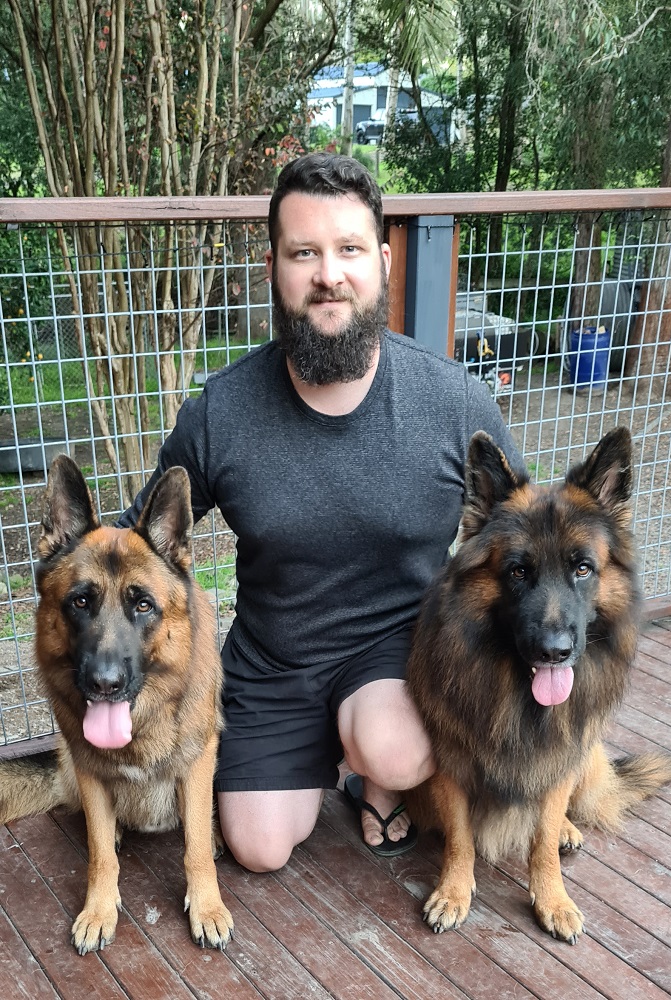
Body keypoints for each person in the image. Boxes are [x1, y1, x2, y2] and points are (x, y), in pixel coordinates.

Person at [119, 152, 523, 871]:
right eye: (303, 252)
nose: (327, 274)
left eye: (348, 250)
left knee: (397, 751)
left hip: (397, 655)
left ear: (383, 262)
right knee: (258, 846)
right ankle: (315, 752)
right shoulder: (219, 416)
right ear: (273, 265)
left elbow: (523, 543)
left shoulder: (455, 403)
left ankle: (374, 777)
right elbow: (137, 544)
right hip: (275, 660)